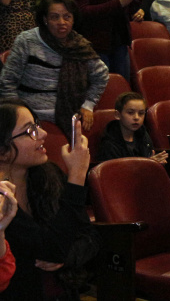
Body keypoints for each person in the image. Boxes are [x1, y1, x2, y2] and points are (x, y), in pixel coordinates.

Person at [0, 99, 99, 300]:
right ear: (3, 151)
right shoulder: (1, 198)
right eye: (30, 131)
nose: (43, 134)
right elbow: (50, 250)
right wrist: (77, 176)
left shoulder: (48, 175)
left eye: (37, 125)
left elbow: (90, 236)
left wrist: (68, 256)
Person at [0, 0, 107, 134]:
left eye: (67, 17)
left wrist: (88, 104)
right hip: (29, 122)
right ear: (45, 19)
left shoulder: (80, 46)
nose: (62, 22)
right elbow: (7, 82)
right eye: (55, 17)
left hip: (70, 119)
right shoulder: (27, 41)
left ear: (73, 20)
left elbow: (102, 75)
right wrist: (19, 115)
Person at [98, 92, 168, 164]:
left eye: (141, 113)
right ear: (117, 115)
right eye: (130, 113)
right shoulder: (109, 145)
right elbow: (117, 173)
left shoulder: (143, 133)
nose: (136, 118)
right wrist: (147, 165)